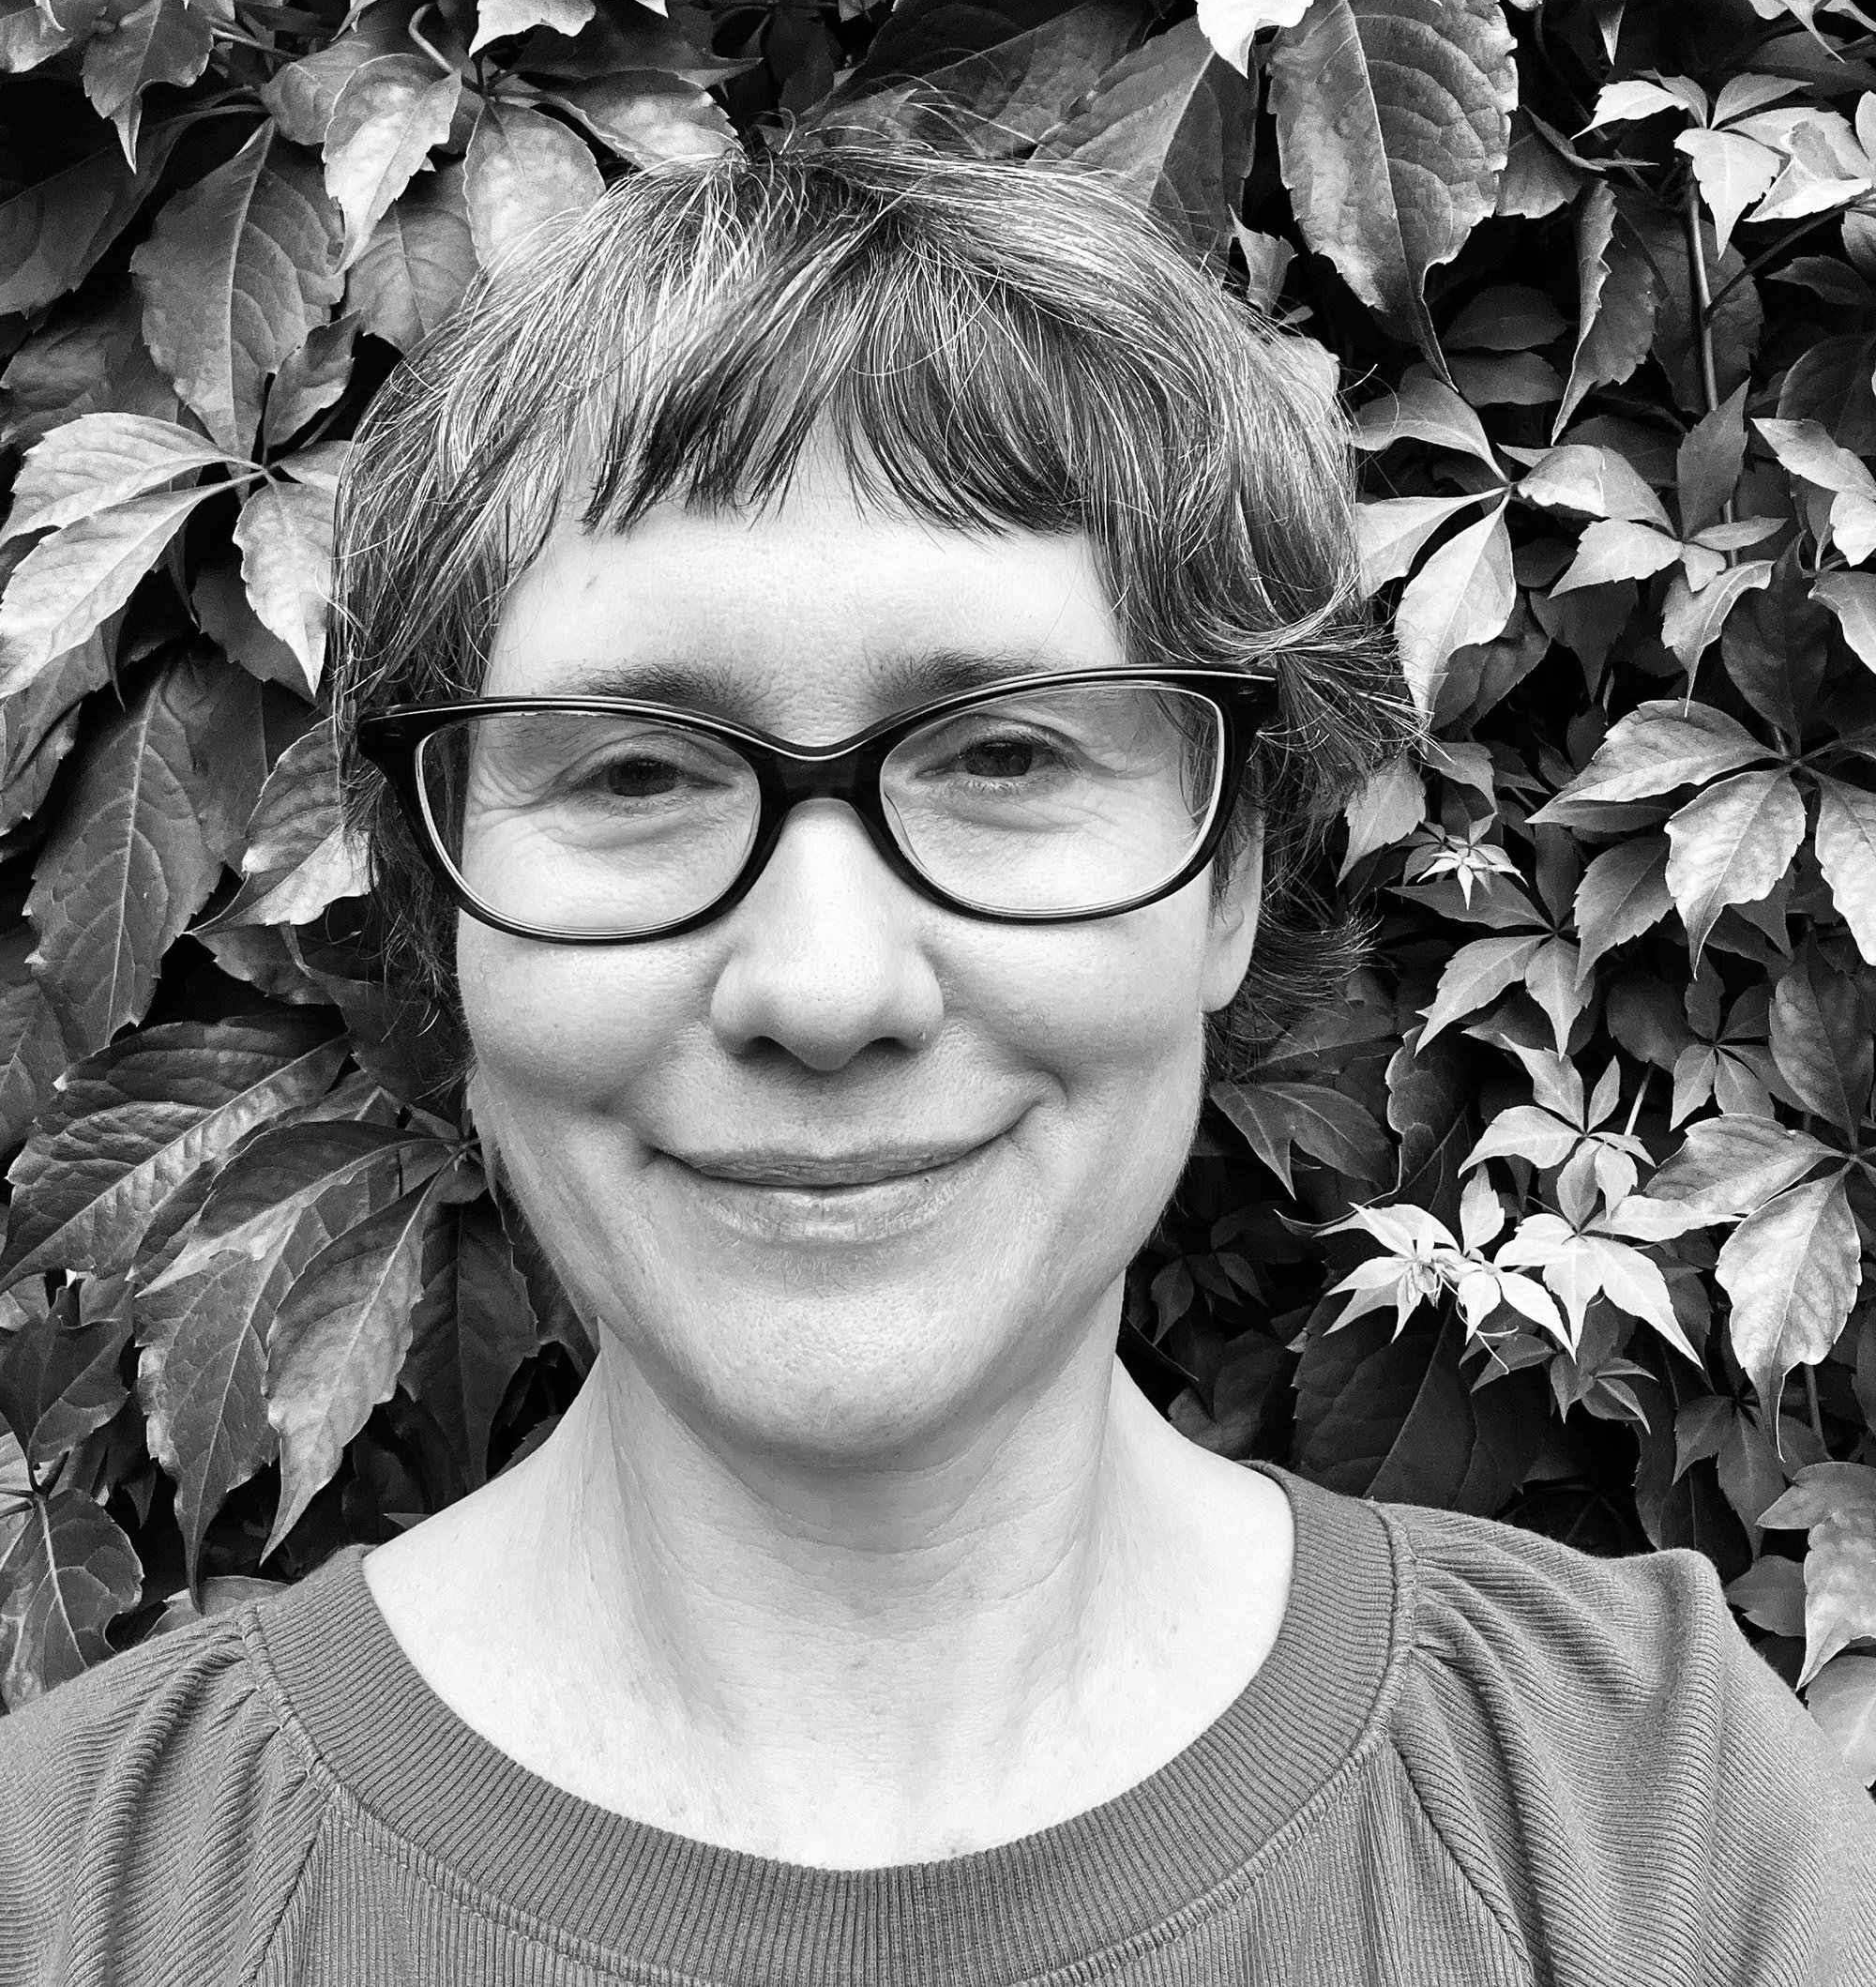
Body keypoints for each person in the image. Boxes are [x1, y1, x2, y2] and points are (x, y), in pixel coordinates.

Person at [1, 134, 1871, 1986]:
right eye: (634, 772)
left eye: (1005, 754)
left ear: (1230, 872)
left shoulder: (1656, 1818)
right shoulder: (73, 1891)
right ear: (445, 913)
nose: (825, 989)